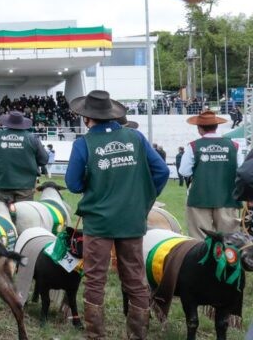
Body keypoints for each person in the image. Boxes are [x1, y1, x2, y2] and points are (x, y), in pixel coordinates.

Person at [65, 90, 169, 339]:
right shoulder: (135, 137)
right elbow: (162, 171)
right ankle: (137, 334)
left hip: (98, 222)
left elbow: (73, 184)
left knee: (95, 278)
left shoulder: (84, 143)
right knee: (135, 277)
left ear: (87, 117)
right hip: (132, 220)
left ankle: (96, 335)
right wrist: (143, 201)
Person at [177, 110, 242, 240]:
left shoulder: (193, 146)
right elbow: (241, 170)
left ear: (199, 128)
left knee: (199, 240)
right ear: (216, 126)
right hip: (227, 198)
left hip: (199, 197)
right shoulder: (234, 146)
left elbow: (184, 171)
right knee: (229, 240)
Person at [0, 111, 48, 204]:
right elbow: (44, 160)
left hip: (3, 183)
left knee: (4, 215)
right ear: (22, 123)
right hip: (25, 185)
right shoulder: (32, 138)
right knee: (24, 215)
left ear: (8, 122)